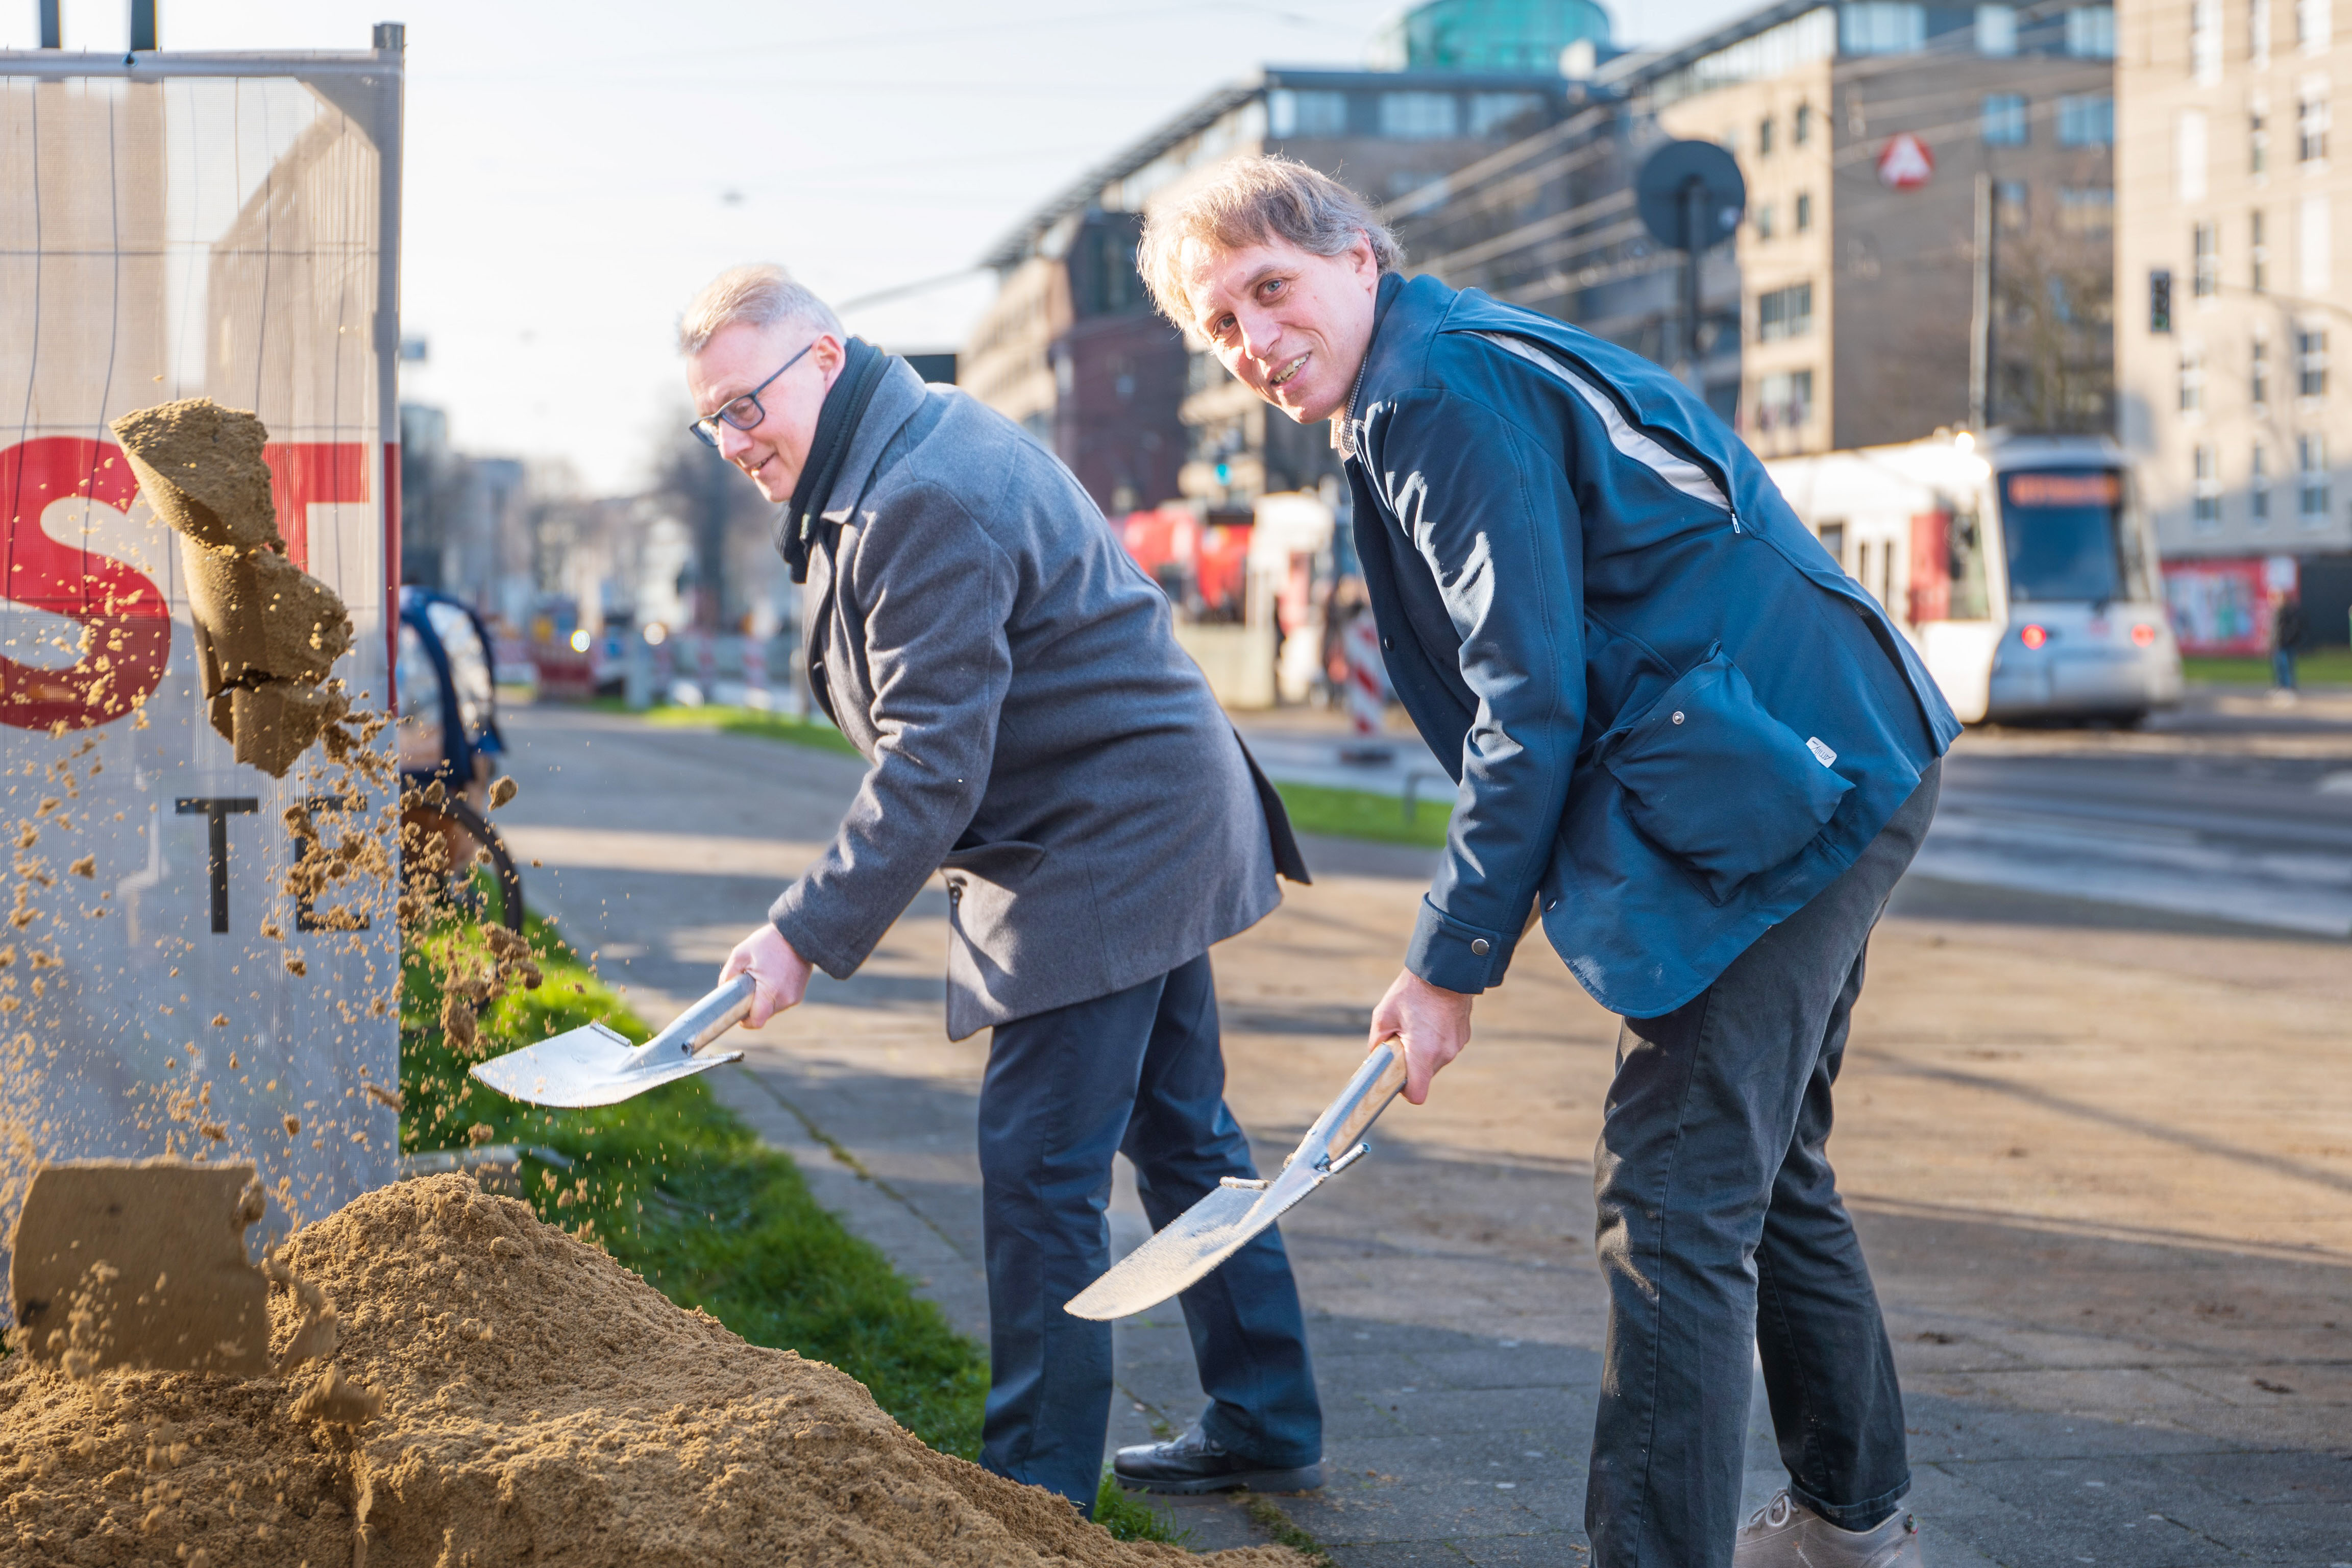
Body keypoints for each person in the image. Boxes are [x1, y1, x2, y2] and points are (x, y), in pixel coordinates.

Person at [1137, 158, 1960, 1568]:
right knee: (1764, 1172)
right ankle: (1851, 1521)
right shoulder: (1436, 365)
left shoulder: (1432, 392)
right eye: (1220, 326)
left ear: (1357, 255)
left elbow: (1531, 697)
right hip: (1818, 753)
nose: (1255, 340)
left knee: (1670, 1198)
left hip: (1787, 783)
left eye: (1271, 289)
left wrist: (1448, 961)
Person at [678, 264, 1324, 1513]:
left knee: (1039, 1170)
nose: (733, 441)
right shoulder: (898, 443)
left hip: (1106, 840)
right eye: (713, 418)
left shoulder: (919, 491)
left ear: (823, 357)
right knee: (1186, 1132)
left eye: (748, 404)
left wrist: (800, 934)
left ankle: (1032, 1497)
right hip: (1144, 808)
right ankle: (1266, 1408)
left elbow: (932, 761)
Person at [2273, 591, 2305, 693]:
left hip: (2287, 643)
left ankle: (2288, 688)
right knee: (2280, 667)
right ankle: (2281, 687)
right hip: (2279, 644)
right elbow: (2276, 630)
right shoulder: (2278, 611)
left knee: (2287, 666)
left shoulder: (2291, 611)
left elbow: (2294, 628)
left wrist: (2288, 638)